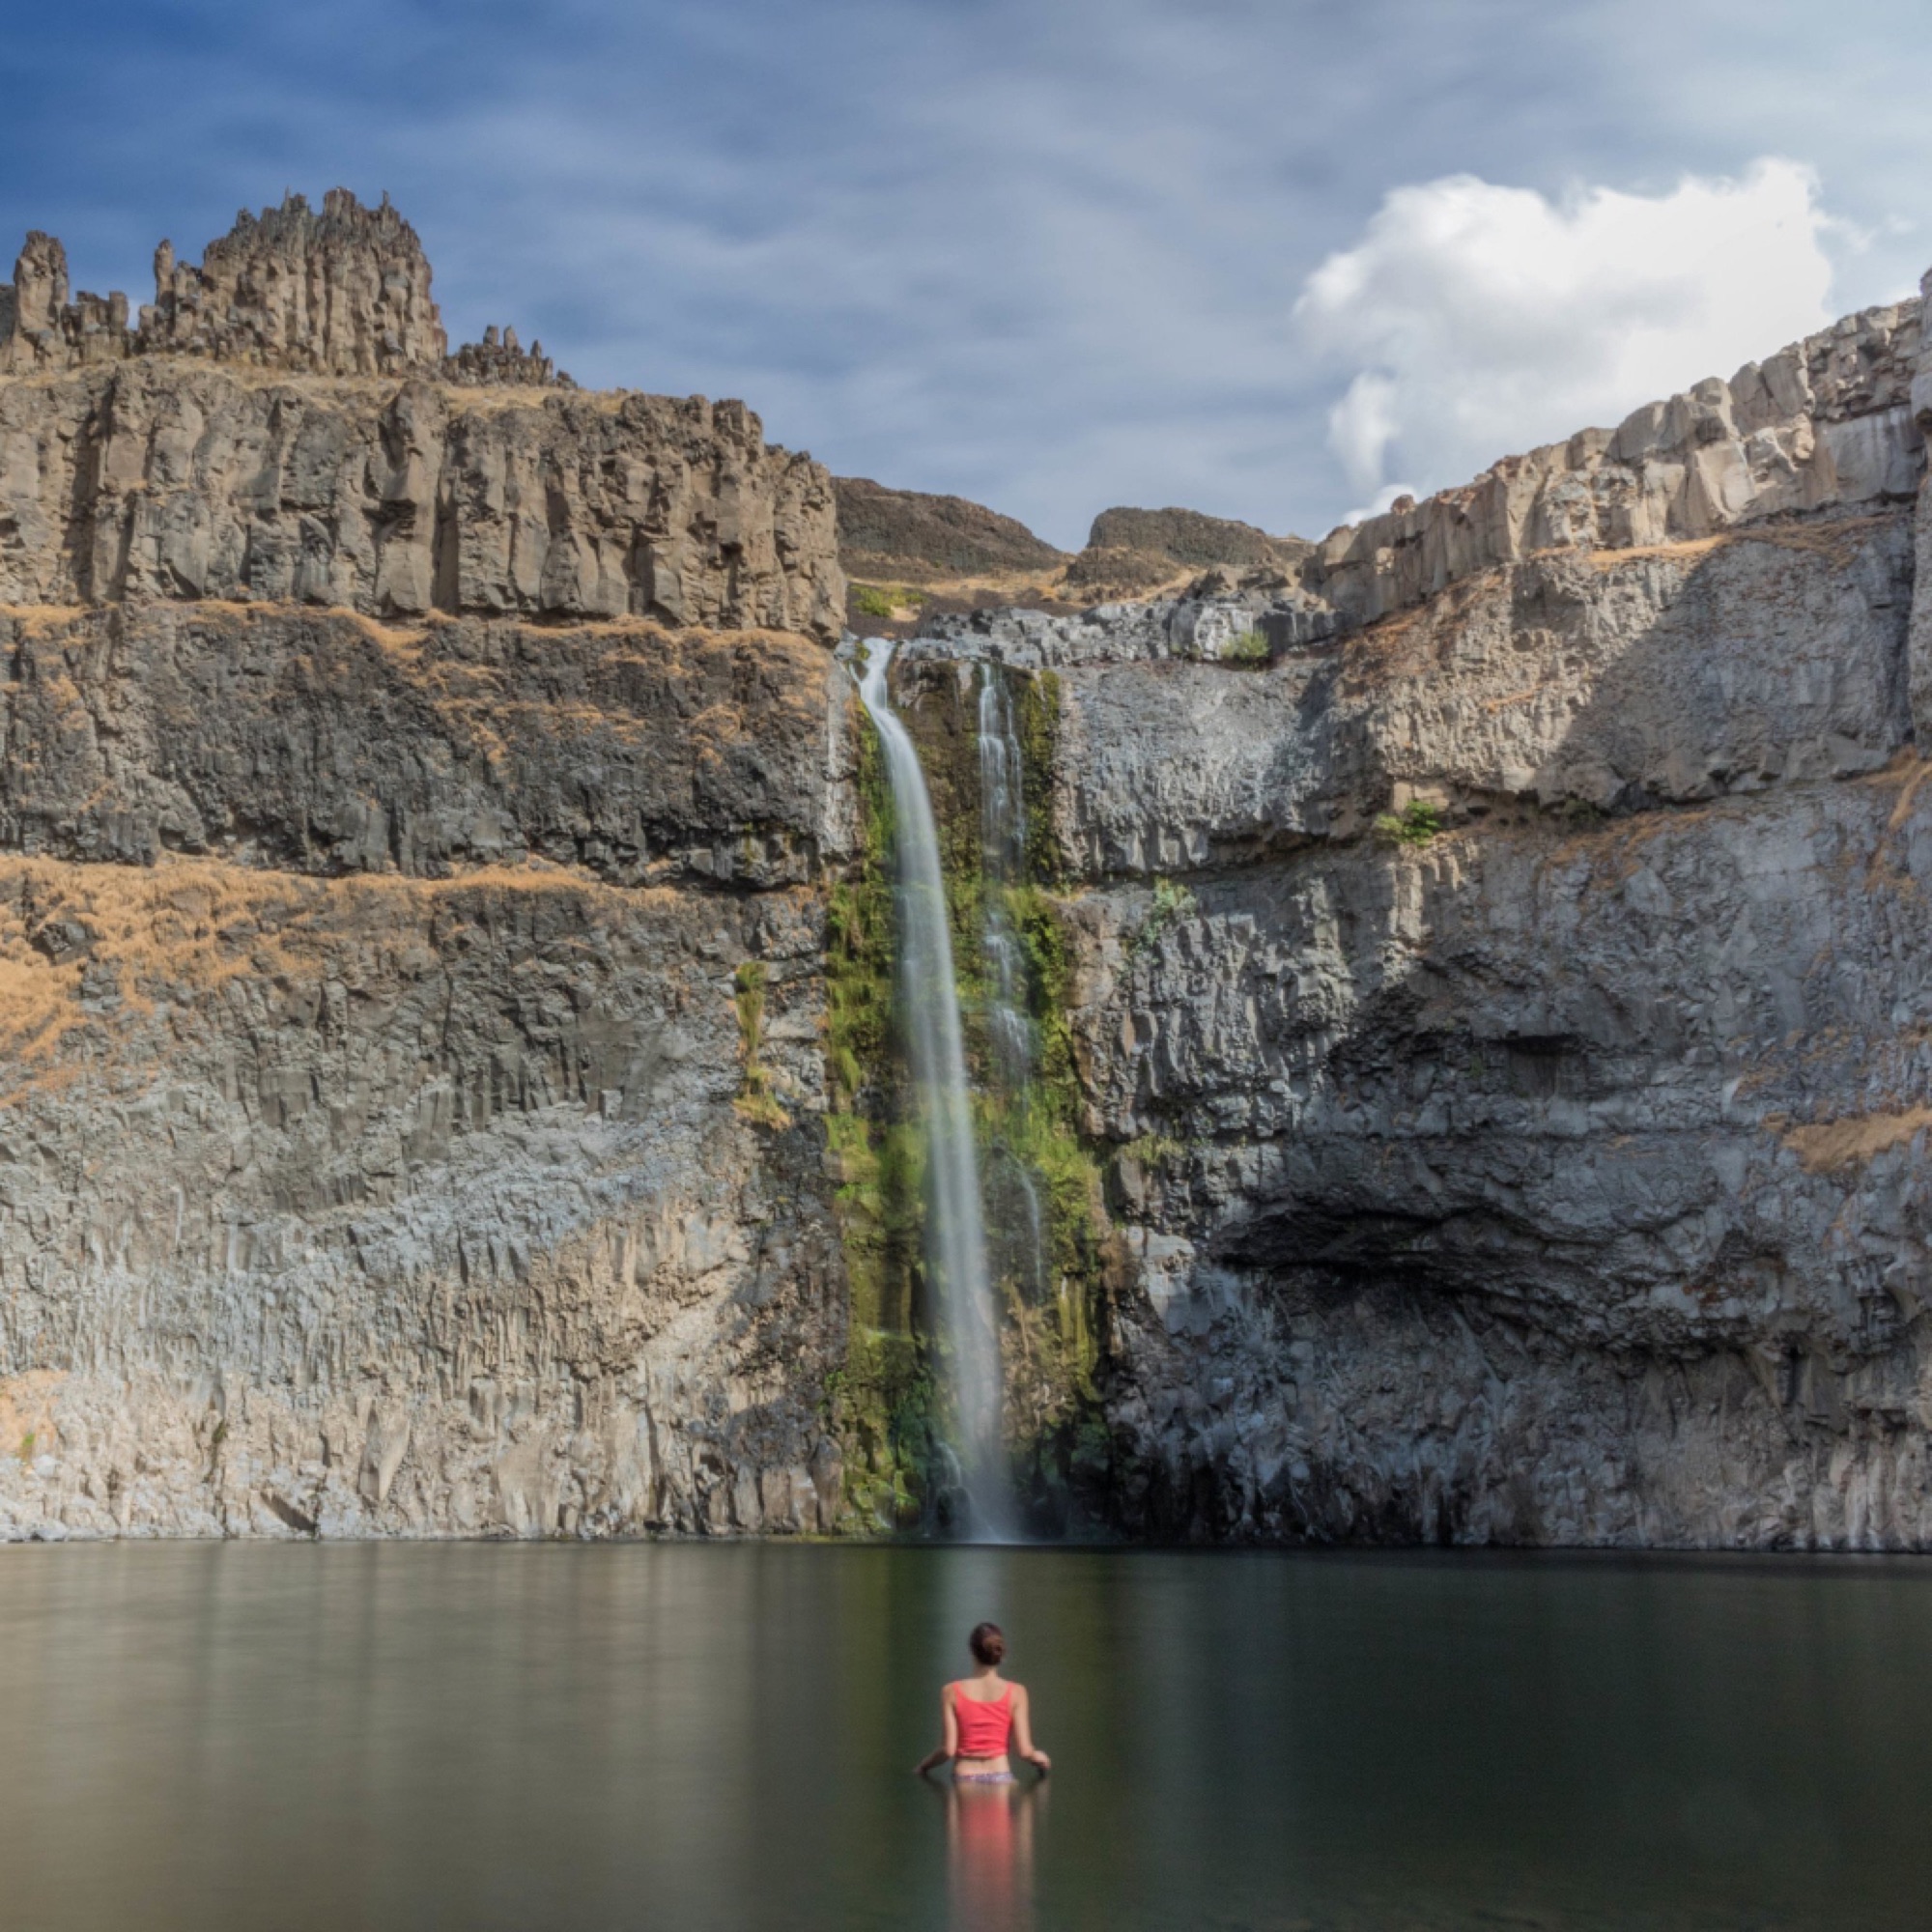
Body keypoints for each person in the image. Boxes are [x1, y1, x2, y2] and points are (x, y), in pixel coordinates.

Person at [914, 1622, 1050, 1782]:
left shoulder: (951, 1692)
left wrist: (924, 1766)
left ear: (972, 1652)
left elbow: (948, 1750)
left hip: (965, 1776)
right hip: (1000, 1775)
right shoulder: (1017, 1692)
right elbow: (1024, 1751)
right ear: (1000, 1653)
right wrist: (1040, 1758)